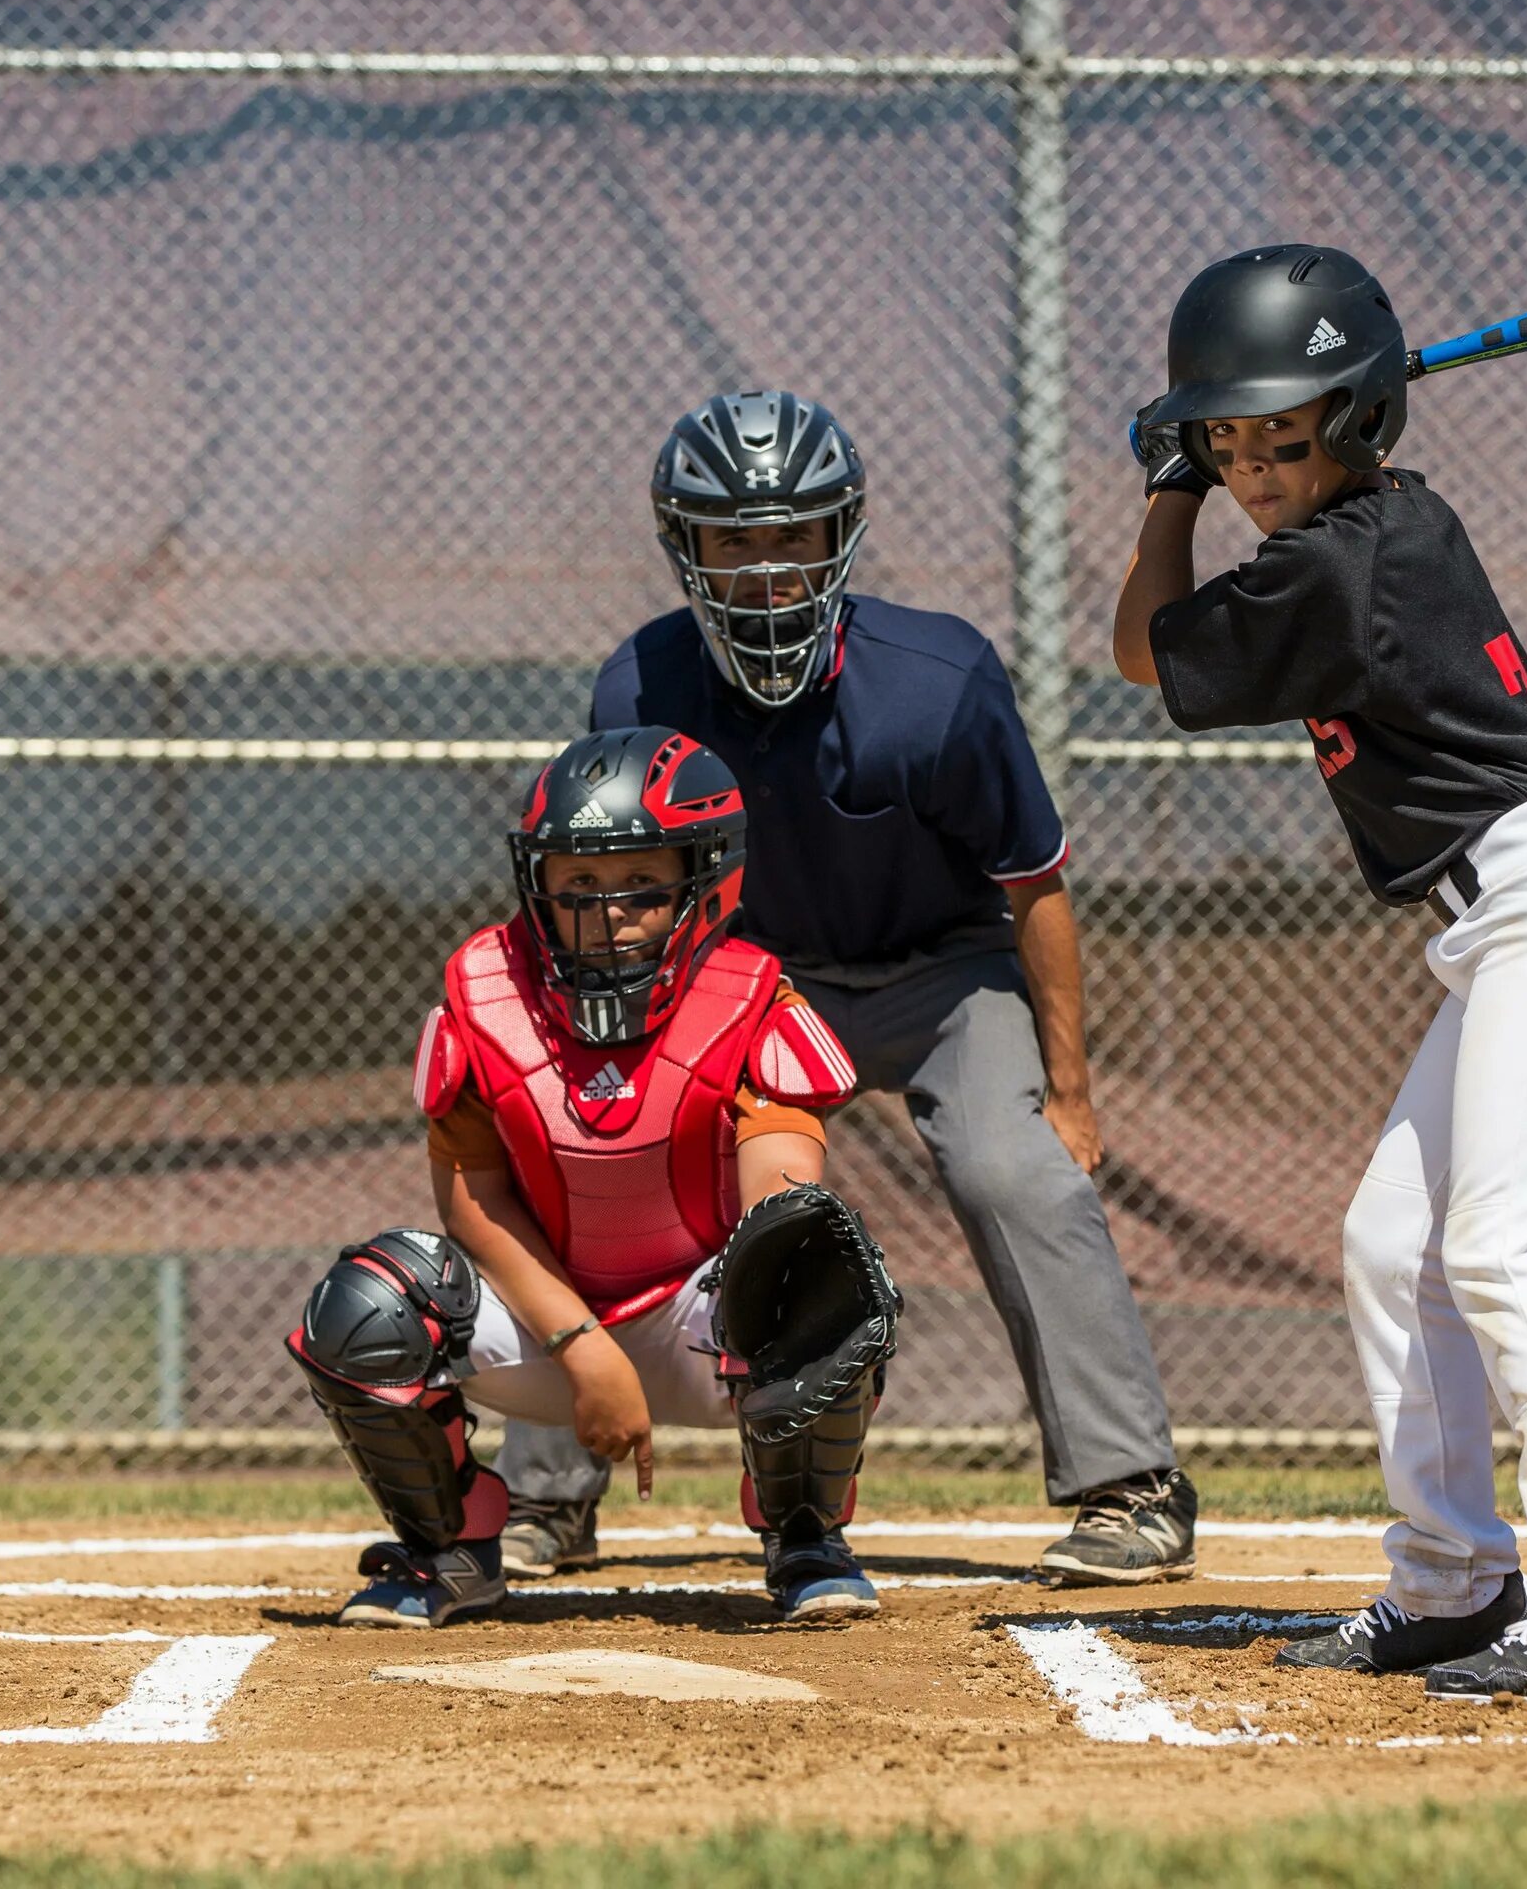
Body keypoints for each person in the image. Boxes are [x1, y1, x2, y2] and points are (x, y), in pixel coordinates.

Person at [1110, 246, 1527, 1699]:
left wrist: (1165, 487)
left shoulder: (1343, 562)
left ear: (1366, 422)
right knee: (1397, 1243)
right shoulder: (1362, 531)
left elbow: (1140, 651)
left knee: (1504, 1246)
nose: (1254, 471)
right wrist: (1219, 449)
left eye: (1284, 439)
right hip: (1509, 912)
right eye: (1230, 442)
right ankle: (1451, 1584)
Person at [493, 390, 1198, 1588]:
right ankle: (550, 1491)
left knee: (1011, 1162)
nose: (765, 567)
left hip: (945, 972)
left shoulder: (940, 680)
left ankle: (1132, 1485)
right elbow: (632, 891)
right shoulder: (642, 682)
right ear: (684, 547)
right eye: (732, 539)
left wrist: (1068, 1092)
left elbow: (1036, 887)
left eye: (792, 534)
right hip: (754, 979)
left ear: (842, 534)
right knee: (597, 1146)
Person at [285, 725, 901, 1629]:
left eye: (641, 885)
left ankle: (803, 1533)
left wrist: (768, 1323)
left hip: (706, 1326)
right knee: (369, 1303)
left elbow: (781, 1192)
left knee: (816, 1256)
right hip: (550, 1333)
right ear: (538, 884)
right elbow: (474, 1201)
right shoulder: (484, 992)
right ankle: (450, 1548)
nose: (607, 911)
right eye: (578, 884)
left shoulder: (753, 997)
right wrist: (584, 1347)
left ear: (704, 879)